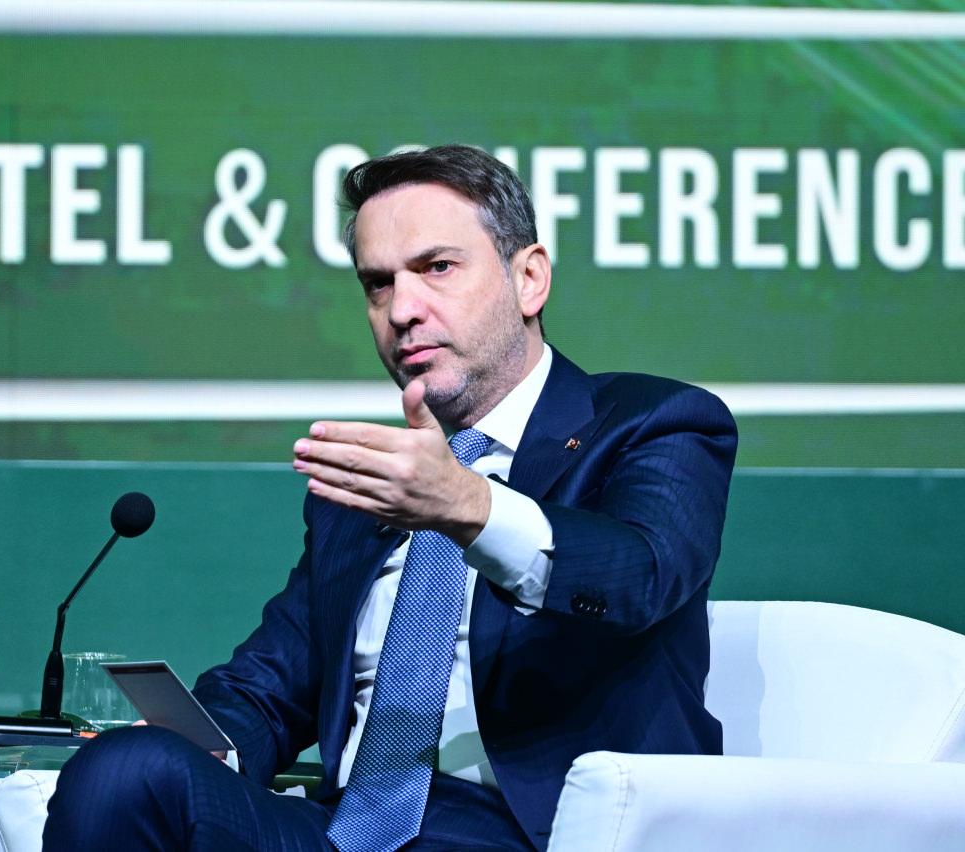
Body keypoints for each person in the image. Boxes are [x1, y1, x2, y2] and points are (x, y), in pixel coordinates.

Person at [44, 145, 737, 851]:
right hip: (345, 830)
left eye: (437, 268)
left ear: (528, 278)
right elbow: (269, 688)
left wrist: (467, 505)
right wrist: (193, 742)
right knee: (124, 770)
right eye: (378, 284)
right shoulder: (369, 490)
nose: (402, 310)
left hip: (524, 833)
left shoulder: (652, 424)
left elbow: (639, 574)